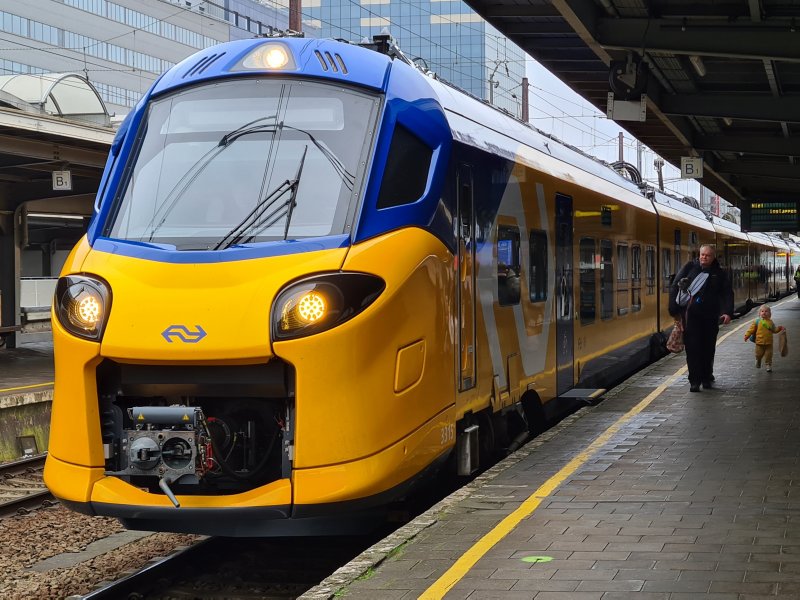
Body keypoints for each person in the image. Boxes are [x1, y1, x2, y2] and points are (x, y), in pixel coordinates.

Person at [669, 245, 734, 392]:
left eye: (707, 255)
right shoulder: (689, 268)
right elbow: (675, 287)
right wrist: (674, 311)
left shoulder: (719, 273)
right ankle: (694, 380)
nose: (704, 257)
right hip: (690, 317)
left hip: (711, 317)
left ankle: (706, 377)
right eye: (702, 255)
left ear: (713, 257)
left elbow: (727, 293)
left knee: (708, 348)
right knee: (692, 349)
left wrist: (727, 312)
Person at [743, 305, 784, 372]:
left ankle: (768, 365)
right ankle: (758, 360)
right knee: (758, 354)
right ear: (759, 313)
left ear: (769, 314)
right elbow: (751, 330)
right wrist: (746, 335)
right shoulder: (757, 321)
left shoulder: (771, 322)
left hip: (769, 343)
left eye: (766, 311)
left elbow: (774, 330)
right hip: (759, 343)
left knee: (769, 355)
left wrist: (779, 328)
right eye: (762, 311)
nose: (764, 312)